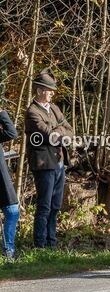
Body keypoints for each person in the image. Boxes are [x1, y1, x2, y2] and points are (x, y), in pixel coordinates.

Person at [24, 69, 73, 248]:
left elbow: (69, 129)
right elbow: (48, 135)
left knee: (55, 206)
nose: (52, 93)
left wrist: (59, 131)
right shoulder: (32, 112)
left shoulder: (54, 108)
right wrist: (60, 132)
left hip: (59, 161)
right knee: (44, 206)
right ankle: (40, 245)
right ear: (39, 91)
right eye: (49, 90)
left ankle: (52, 243)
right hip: (44, 164)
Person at [1, 106, 18, 259]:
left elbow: (11, 133)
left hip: (2, 180)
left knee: (12, 211)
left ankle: (8, 250)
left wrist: (2, 113)